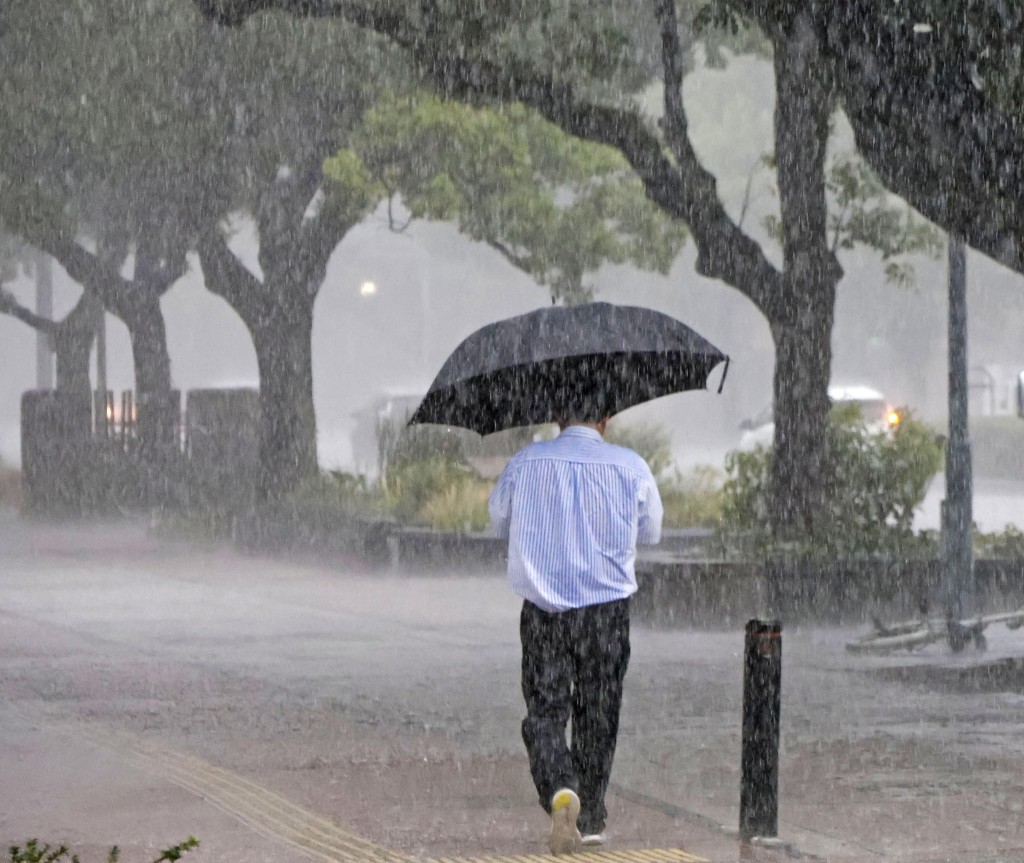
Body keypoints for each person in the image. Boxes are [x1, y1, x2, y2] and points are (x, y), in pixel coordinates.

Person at [488, 405, 664, 855]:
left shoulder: (526, 463)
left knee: (545, 712)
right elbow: (651, 531)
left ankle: (559, 787)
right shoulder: (630, 466)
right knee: (598, 713)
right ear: (605, 417)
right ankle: (589, 819)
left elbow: (499, 522)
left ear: (556, 416)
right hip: (606, 612)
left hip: (544, 610)